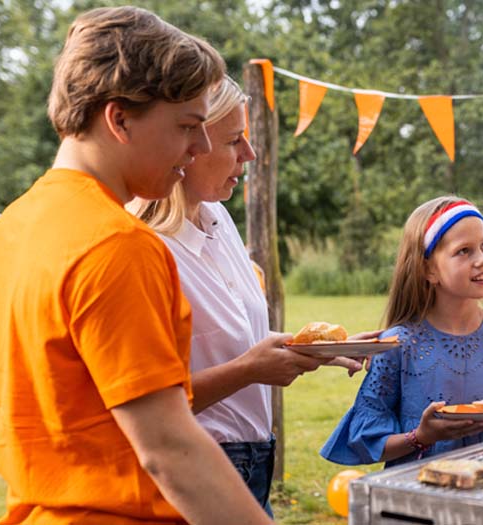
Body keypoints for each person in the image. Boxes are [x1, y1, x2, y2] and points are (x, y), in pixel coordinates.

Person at [0, 7, 274, 524]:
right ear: (118, 119)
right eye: (187, 126)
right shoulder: (119, 245)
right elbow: (170, 450)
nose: (200, 146)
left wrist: (60, 465)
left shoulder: (13, 226)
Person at [126, 77, 366, 516]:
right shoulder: (144, 247)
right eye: (235, 141)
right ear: (189, 142)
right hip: (202, 467)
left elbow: (237, 338)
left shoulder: (218, 217)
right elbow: (147, 405)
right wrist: (249, 370)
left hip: (256, 460)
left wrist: (323, 349)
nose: (250, 155)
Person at [321, 196, 483, 467]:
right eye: (464, 251)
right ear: (429, 270)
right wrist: (421, 437)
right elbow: (365, 438)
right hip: (420, 498)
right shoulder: (399, 344)